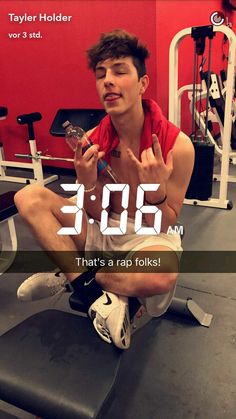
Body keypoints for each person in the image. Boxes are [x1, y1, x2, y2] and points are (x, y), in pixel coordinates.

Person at [15, 29, 194, 349]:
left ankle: (75, 277)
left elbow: (165, 222)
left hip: (149, 237)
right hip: (105, 228)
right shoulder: (96, 138)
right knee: (27, 196)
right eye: (101, 74)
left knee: (162, 274)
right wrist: (87, 183)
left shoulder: (177, 147)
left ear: (143, 83)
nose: (108, 80)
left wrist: (155, 190)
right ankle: (94, 291)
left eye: (119, 71)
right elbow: (98, 212)